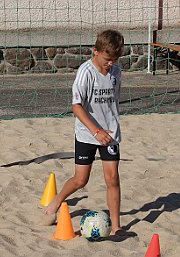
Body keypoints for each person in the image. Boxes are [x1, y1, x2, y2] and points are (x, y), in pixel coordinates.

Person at [44, 29, 124, 235]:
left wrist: (108, 128)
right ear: (95, 51)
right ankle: (57, 200)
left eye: (114, 60)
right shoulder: (85, 73)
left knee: (113, 178)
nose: (111, 64)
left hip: (110, 134)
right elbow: (77, 106)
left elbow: (111, 103)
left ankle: (116, 226)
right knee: (81, 180)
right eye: (107, 59)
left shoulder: (116, 71)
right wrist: (96, 130)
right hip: (88, 133)